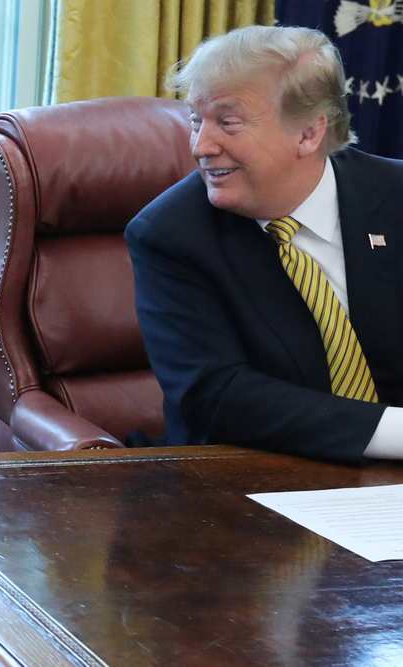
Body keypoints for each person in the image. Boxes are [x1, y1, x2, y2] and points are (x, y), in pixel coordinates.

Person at [126, 24, 403, 464]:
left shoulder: (394, 195)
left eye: (227, 123)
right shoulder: (168, 235)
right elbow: (217, 395)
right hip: (245, 481)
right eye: (196, 121)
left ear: (310, 134)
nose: (201, 146)